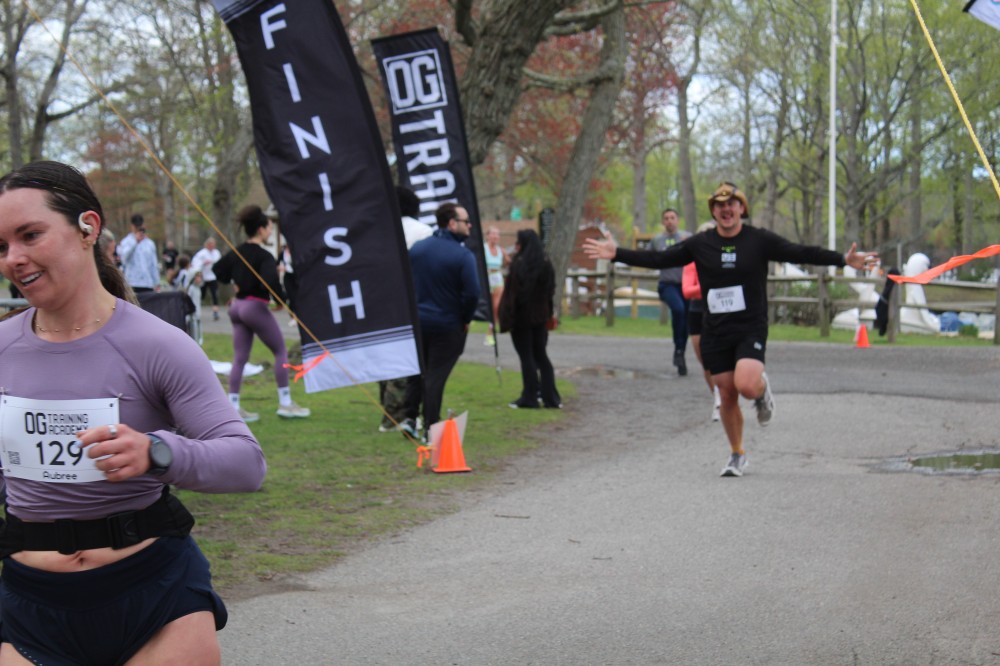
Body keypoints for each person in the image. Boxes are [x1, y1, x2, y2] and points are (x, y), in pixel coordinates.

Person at [0, 160, 266, 665]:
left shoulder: (157, 345)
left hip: (154, 596)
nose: (14, 258)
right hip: (31, 603)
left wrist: (155, 452)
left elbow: (246, 463)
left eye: (30, 235)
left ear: (87, 228)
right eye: (1, 246)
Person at [584, 181, 878, 477]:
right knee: (726, 393)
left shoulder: (758, 240)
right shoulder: (700, 243)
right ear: (713, 211)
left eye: (731, 204)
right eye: (719, 205)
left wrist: (842, 259)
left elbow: (800, 252)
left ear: (741, 208)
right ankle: (737, 453)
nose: (726, 210)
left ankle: (761, 391)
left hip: (750, 326)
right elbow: (659, 259)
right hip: (716, 329)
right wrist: (617, 253)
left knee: (746, 385)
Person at [214, 205, 310, 422]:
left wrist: (235, 284)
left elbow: (218, 270)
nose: (270, 231)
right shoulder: (265, 256)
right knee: (280, 351)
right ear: (260, 229)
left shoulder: (238, 251)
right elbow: (271, 281)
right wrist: (281, 301)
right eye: (268, 228)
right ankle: (285, 403)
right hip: (254, 307)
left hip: (237, 307)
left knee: (239, 358)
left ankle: (233, 407)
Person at [399, 202, 480, 438]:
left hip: (419, 321)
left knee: (417, 371)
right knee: (435, 376)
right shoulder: (463, 255)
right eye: (466, 221)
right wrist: (466, 318)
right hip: (447, 324)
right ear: (452, 223)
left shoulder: (418, 249)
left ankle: (409, 418)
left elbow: (406, 282)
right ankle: (430, 426)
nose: (470, 226)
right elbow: (472, 293)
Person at [378, 186, 432, 433]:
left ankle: (388, 410)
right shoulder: (422, 232)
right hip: (411, 300)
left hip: (383, 298)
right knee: (408, 359)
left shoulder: (381, 230)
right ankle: (401, 414)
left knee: (386, 356)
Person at [498, 229, 560, 409]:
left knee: (527, 357)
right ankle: (550, 397)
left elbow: (513, 294)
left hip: (522, 317)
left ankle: (530, 396)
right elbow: (550, 290)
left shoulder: (519, 265)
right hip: (540, 316)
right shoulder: (546, 264)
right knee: (541, 356)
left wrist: (508, 315)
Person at [682, 221, 722, 422]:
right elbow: (687, 291)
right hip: (697, 311)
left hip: (719, 311)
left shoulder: (724, 261)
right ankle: (717, 397)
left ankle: (723, 399)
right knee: (705, 362)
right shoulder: (691, 264)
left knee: (722, 358)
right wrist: (708, 286)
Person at [652, 208, 691, 375]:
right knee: (678, 309)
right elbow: (648, 257)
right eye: (666, 218)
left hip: (686, 285)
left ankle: (680, 351)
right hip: (667, 284)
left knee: (686, 318)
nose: (669, 221)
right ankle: (679, 348)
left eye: (672, 217)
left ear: (678, 220)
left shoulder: (687, 238)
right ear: (663, 221)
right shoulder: (657, 240)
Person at [116, 213, 160, 292]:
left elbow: (153, 264)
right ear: (132, 226)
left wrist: (157, 282)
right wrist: (135, 242)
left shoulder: (150, 243)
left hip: (147, 283)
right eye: (136, 226)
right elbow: (124, 259)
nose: (138, 228)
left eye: (140, 226)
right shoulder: (126, 242)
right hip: (132, 283)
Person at [483, 225, 509, 347]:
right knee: (485, 307)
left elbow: (508, 263)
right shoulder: (483, 249)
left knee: (497, 308)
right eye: (493, 234)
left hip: (497, 278)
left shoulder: (501, 250)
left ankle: (490, 333)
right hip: (485, 279)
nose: (495, 236)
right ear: (487, 236)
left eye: (497, 234)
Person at [192, 237, 222, 321]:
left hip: (213, 276)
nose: (212, 246)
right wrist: (203, 263)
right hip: (204, 277)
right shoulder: (202, 253)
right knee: (202, 295)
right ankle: (195, 310)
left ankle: (215, 312)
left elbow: (220, 263)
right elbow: (195, 264)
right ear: (207, 245)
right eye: (210, 245)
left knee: (214, 294)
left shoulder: (216, 253)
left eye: (213, 245)